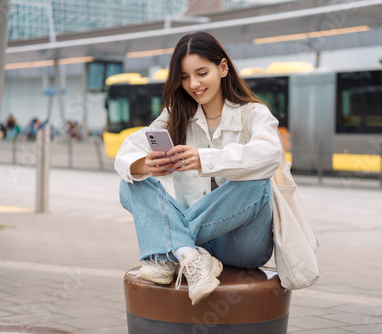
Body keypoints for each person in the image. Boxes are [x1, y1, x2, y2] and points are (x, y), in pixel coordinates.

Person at [115, 31, 282, 305]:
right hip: (199, 242)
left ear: (223, 67)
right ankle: (188, 255)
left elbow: (270, 155)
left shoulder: (253, 113)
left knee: (258, 182)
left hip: (243, 247)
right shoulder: (175, 114)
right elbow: (126, 153)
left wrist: (206, 159)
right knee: (131, 180)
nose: (193, 83)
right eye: (183, 77)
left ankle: (169, 248)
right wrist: (146, 164)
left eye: (201, 73)